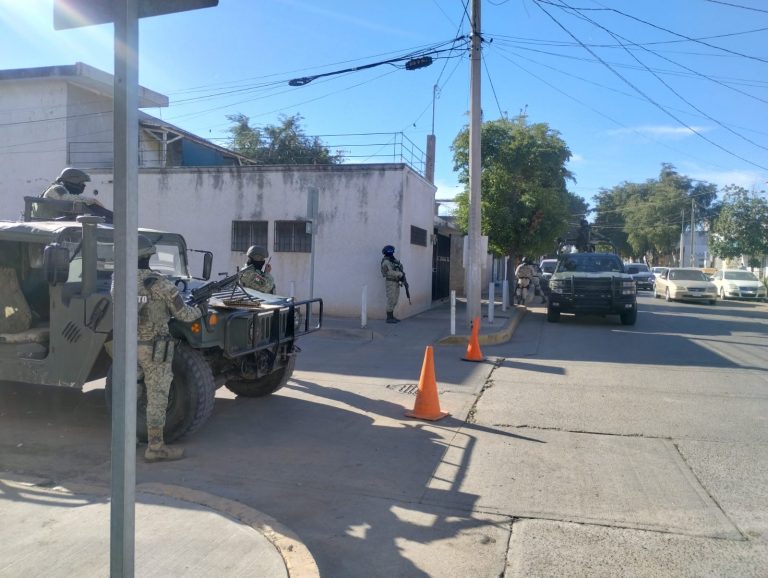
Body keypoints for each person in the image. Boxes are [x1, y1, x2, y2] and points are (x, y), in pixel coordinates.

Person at [128, 235, 203, 462]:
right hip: (154, 349)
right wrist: (201, 308)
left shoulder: (119, 280)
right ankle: (155, 447)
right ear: (150, 256)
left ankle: (126, 439)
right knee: (157, 397)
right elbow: (185, 315)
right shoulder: (159, 283)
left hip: (127, 347)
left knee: (130, 394)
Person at [33, 168, 113, 222]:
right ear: (73, 181)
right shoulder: (57, 188)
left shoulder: (62, 189)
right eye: (81, 183)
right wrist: (92, 200)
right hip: (49, 225)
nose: (83, 186)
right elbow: (66, 198)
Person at [380, 245, 404, 323]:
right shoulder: (386, 262)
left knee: (395, 300)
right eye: (392, 252)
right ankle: (389, 318)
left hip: (396, 282)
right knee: (391, 299)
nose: (393, 253)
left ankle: (392, 316)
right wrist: (399, 274)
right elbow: (389, 272)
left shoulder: (392, 260)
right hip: (390, 282)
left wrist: (399, 266)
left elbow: (399, 266)